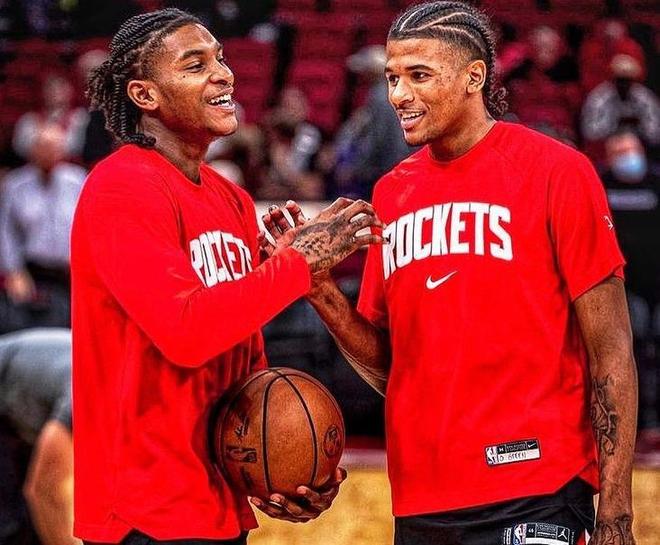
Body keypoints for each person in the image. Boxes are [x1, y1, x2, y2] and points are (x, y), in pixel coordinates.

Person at [260, 2, 638, 544]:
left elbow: (612, 349)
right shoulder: (393, 192)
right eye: (392, 77)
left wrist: (616, 513)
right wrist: (319, 288)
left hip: (537, 484)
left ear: (473, 78)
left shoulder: (558, 171)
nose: (399, 95)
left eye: (419, 75)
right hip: (422, 497)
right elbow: (392, 367)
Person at [71, 8, 383, 545]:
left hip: (218, 505)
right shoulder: (121, 186)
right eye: (196, 65)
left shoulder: (232, 199)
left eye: (220, 59)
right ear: (145, 95)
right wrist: (297, 262)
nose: (224, 74)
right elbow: (185, 332)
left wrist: (284, 464)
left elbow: (246, 363)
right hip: (145, 514)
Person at [0, 123, 86, 332]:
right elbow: (6, 231)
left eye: (54, 146)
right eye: (43, 146)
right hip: (32, 270)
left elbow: (87, 226)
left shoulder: (77, 180)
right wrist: (13, 271)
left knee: (71, 331)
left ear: (63, 149)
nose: (48, 152)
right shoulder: (15, 184)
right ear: (32, 149)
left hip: (69, 270)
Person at [0, 328, 78, 545]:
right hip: (7, 400)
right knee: (11, 525)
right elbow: (46, 491)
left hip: (25, 410)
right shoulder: (94, 397)